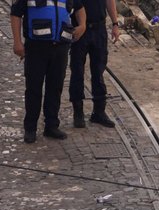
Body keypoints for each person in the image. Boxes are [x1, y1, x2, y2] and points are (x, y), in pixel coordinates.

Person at [11, 0, 86, 143]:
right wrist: (17, 42)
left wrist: (82, 26)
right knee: (34, 88)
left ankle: (51, 126)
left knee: (55, 87)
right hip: (36, 47)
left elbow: (80, 8)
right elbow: (15, 14)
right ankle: (30, 128)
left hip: (61, 46)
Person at [69, 0, 120, 129]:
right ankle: (78, 112)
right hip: (79, 29)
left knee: (98, 71)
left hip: (99, 28)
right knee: (77, 71)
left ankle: (99, 111)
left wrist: (115, 23)